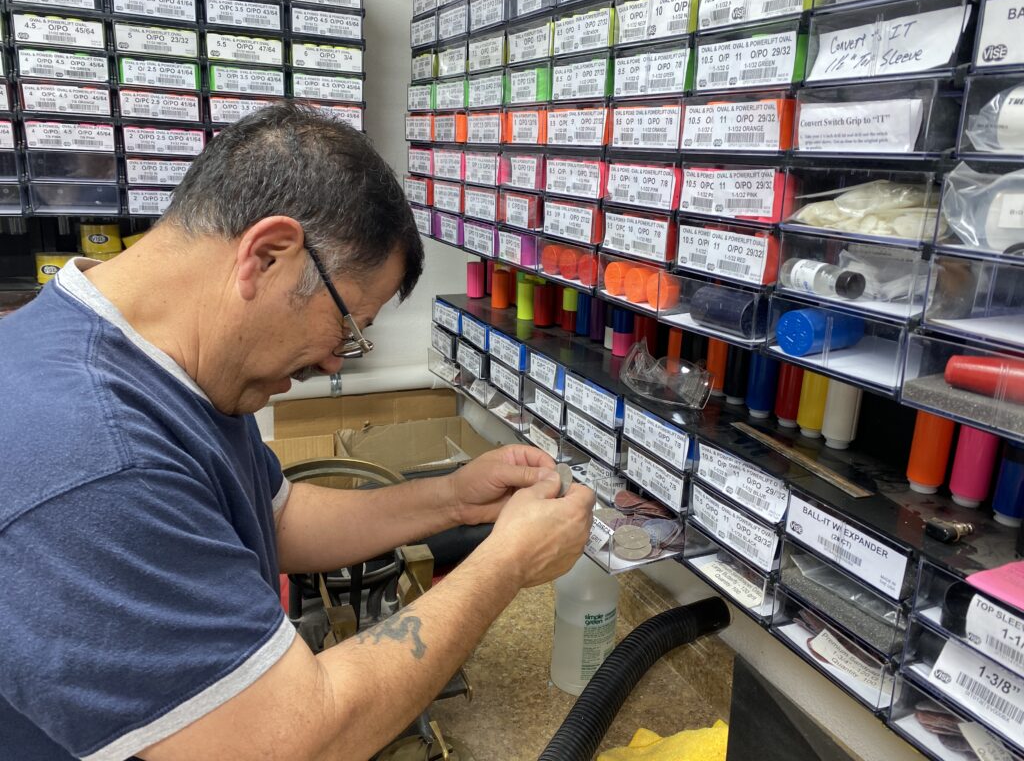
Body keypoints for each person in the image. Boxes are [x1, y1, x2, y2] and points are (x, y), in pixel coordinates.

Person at [0, 102, 595, 761]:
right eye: (346, 326)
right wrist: (508, 563)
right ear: (269, 254)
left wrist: (452, 498)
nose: (334, 362)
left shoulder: (148, 367)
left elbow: (275, 518)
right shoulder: (94, 455)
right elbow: (298, 741)